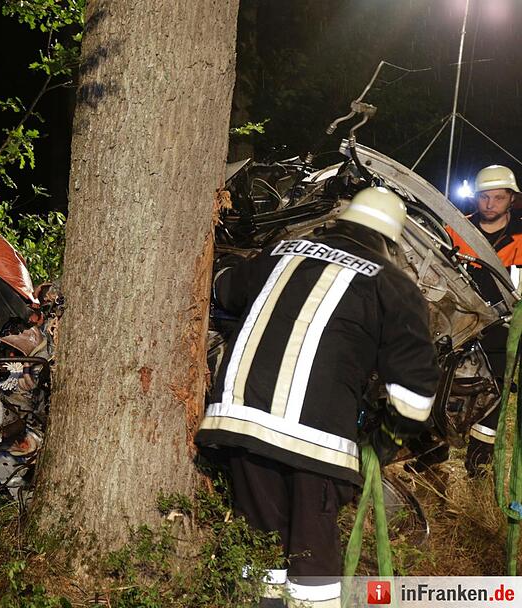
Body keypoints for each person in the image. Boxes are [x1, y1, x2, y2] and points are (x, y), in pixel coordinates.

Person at [196, 186, 440, 607]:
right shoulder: (394, 286)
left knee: (262, 547)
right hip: (317, 442)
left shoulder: (283, 251)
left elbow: (225, 289)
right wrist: (381, 444)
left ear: (340, 219)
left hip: (240, 421)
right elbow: (414, 396)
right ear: (391, 241)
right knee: (312, 561)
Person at [444, 164, 522, 476]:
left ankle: (477, 464)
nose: (489, 204)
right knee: (442, 383)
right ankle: (432, 453)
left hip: (499, 331)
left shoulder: (519, 238)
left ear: (511, 200)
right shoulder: (455, 230)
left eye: (498, 198)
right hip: (455, 324)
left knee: (495, 391)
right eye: (484, 197)